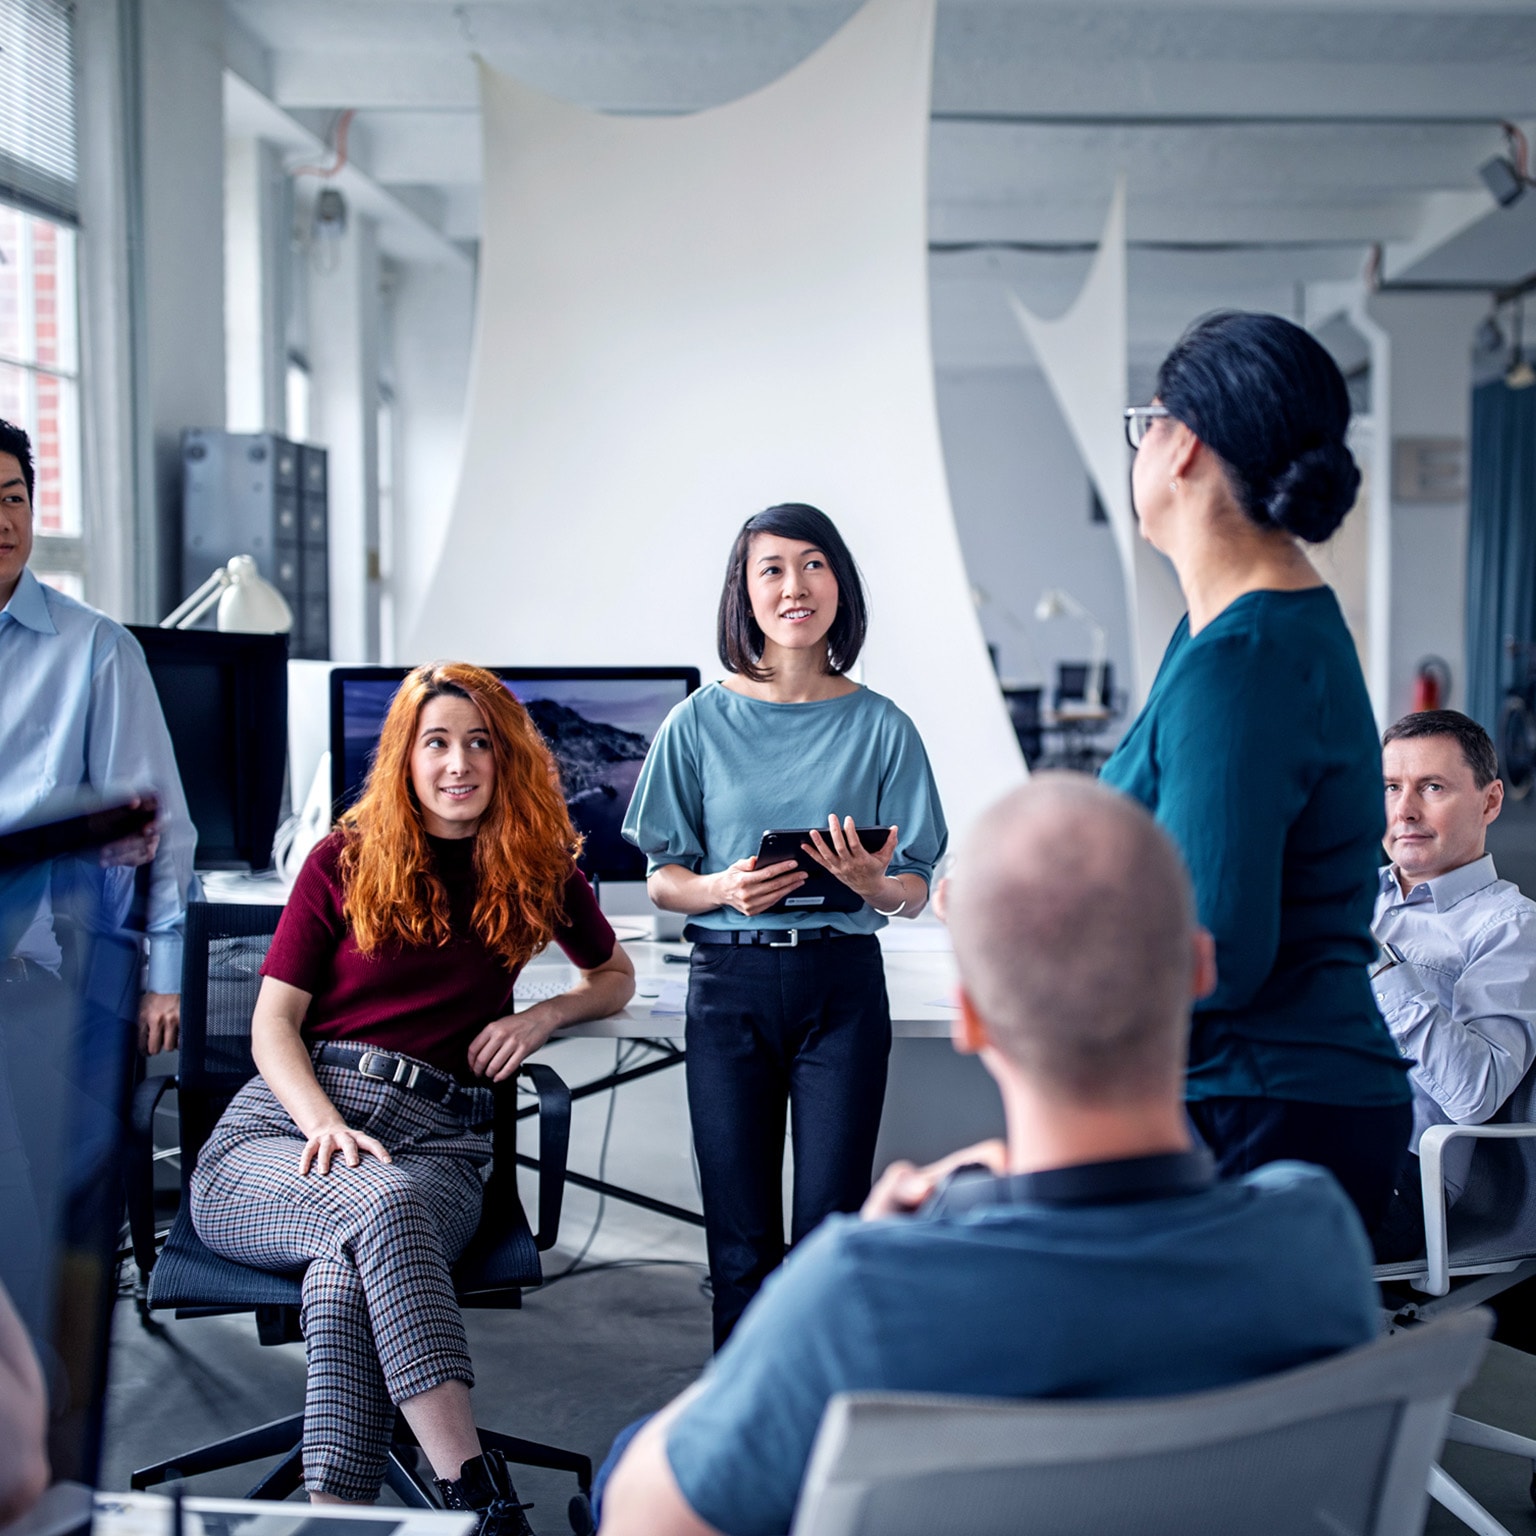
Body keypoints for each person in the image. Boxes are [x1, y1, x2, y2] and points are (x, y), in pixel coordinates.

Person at [595, 775, 1381, 1536]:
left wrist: (839, 1260)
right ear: (1201, 972)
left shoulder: (862, 1291)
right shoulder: (1317, 1235)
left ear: (969, 1018)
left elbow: (642, 1518)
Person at [189, 662, 635, 1528]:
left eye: (479, 743)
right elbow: (272, 1025)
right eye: (437, 743)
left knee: (348, 1264)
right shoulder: (342, 859)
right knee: (373, 1211)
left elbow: (611, 975)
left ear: (507, 759)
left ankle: (337, 1518)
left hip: (440, 1144)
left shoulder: (537, 868)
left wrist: (544, 1015)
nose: (458, 763)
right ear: (406, 756)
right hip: (283, 1135)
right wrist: (324, 1125)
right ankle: (480, 1498)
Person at [1100, 310, 1411, 1233]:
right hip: (1268, 1097)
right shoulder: (1236, 634)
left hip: (1262, 1103)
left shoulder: (1244, 658)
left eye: (1141, 425)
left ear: (1181, 443)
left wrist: (1033, 920)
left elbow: (1216, 953)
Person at [622, 503, 948, 1348]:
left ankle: (816, 1424)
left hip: (839, 991)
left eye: (813, 564)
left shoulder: (884, 727)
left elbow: (916, 887)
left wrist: (878, 886)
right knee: (739, 1245)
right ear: (745, 592)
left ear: (839, 583)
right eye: (771, 569)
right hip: (728, 988)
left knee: (831, 1233)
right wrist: (723, 889)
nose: (794, 586)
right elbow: (661, 880)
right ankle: (742, 1437)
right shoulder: (696, 722)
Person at [0, 416, 193, 1054]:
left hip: (41, 976)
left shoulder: (96, 649)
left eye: (13, 498)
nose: (4, 521)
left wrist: (166, 975)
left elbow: (153, 819)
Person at [1368, 710, 1536, 1261]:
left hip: (1394, 1173)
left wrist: (1373, 959)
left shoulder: (1513, 927)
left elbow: (1475, 1094)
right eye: (1392, 787)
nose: (1405, 810)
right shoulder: (1349, 895)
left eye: (1432, 787)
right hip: (1286, 1126)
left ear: (1490, 802)